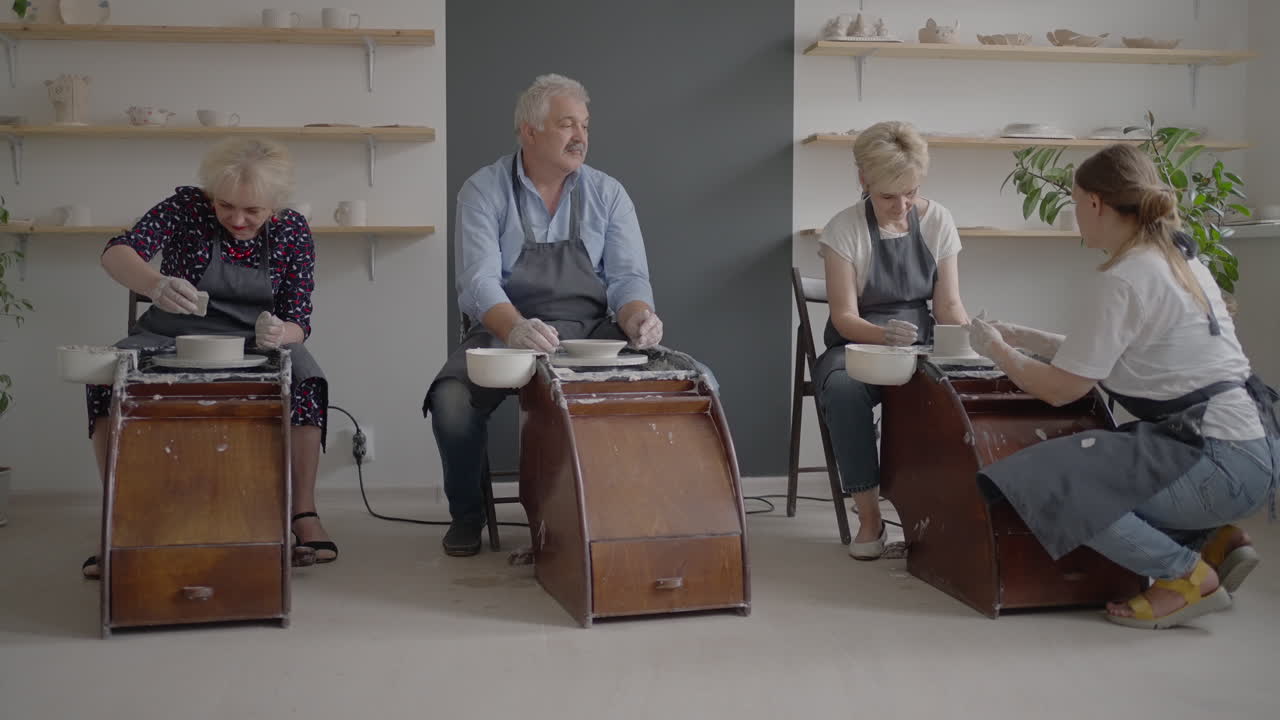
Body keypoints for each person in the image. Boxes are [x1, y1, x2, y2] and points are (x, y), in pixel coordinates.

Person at [966, 144, 1277, 629]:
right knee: (1112, 459)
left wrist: (997, 351)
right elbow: (1116, 352)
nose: (1075, 216)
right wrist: (1026, 337)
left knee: (1052, 480)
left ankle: (1185, 577)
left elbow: (1061, 390)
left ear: (1094, 203)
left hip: (1217, 463)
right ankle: (1219, 540)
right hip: (1255, 453)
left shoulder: (1125, 278)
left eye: (1074, 203)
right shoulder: (1177, 260)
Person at [424, 74, 665, 557]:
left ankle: (620, 515)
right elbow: (478, 283)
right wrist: (514, 327)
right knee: (450, 402)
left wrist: (640, 316)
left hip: (589, 332)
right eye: (566, 125)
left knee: (669, 378)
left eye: (584, 125)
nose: (580, 136)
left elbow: (628, 279)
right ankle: (467, 515)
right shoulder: (483, 190)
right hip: (503, 329)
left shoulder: (607, 193)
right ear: (529, 132)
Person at [82, 138, 335, 577]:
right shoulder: (185, 208)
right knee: (108, 375)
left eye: (252, 211)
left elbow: (300, 320)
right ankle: (118, 519)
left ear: (275, 205)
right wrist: (154, 284)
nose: (237, 219)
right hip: (170, 334)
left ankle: (303, 513)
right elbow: (116, 252)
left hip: (256, 343)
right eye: (226, 205)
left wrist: (280, 332)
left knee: (307, 377)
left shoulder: (292, 229)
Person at [815, 121, 970, 559]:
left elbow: (949, 306)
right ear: (863, 178)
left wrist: (971, 338)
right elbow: (844, 317)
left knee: (959, 387)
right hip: (857, 346)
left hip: (920, 343)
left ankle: (943, 514)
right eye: (888, 196)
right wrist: (883, 335)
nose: (902, 206)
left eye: (911, 192)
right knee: (843, 390)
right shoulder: (843, 228)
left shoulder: (938, 219)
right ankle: (870, 517)